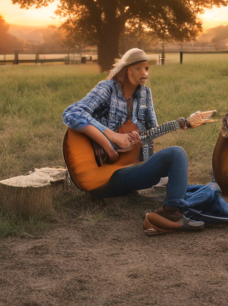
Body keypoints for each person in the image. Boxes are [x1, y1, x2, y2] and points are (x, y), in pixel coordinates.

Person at [62, 48, 213, 235]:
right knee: (181, 165)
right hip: (102, 175)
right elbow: (72, 113)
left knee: (177, 154)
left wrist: (184, 124)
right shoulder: (107, 88)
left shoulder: (145, 95)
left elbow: (152, 131)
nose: (145, 73)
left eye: (148, 68)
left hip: (128, 169)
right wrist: (112, 135)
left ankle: (169, 214)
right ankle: (173, 212)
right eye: (140, 68)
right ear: (128, 70)